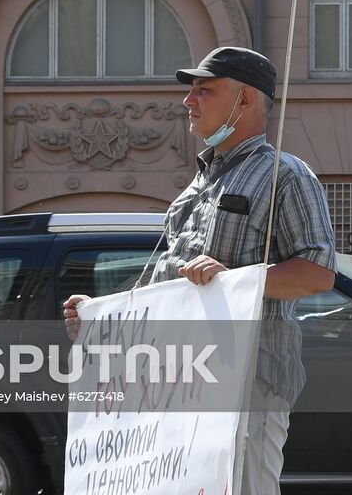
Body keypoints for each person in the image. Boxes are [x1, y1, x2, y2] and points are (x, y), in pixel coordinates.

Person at [63, 45, 336, 495]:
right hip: (181, 384)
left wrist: (232, 279)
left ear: (244, 100)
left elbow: (318, 272)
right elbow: (167, 283)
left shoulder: (285, 175)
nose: (188, 102)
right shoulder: (197, 184)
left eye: (204, 90)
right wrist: (98, 319)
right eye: (192, 91)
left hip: (249, 384)